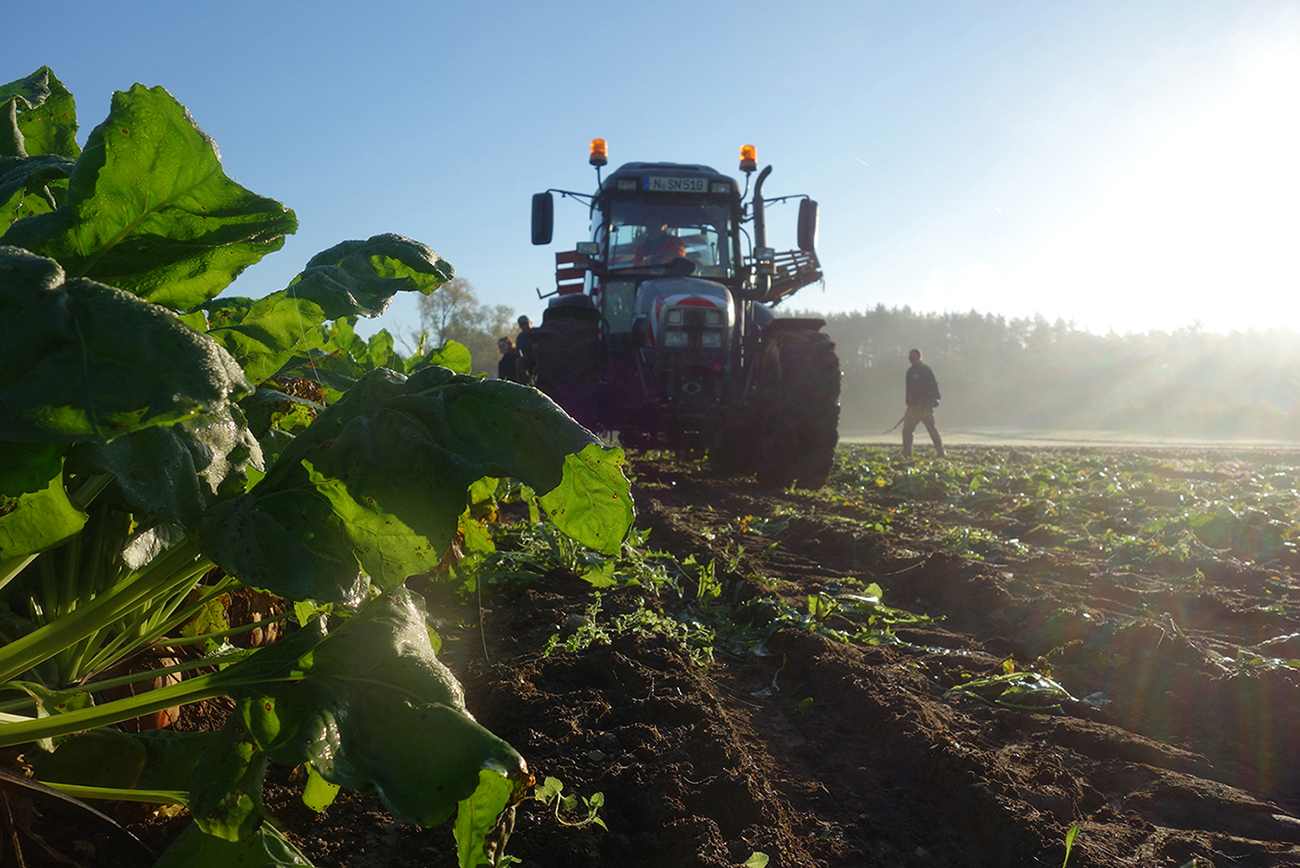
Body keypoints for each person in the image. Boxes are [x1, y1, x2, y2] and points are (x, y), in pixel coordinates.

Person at [903, 348, 945, 459]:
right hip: (913, 407)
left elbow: (933, 385)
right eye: (910, 356)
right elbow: (908, 389)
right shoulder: (910, 371)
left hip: (925, 406)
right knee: (907, 430)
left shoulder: (926, 369)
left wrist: (936, 398)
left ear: (919, 357)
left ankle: (941, 452)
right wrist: (908, 404)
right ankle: (907, 453)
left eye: (913, 356)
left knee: (932, 429)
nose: (910, 358)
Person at [514, 315, 538, 384]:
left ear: (530, 323)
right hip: (529, 360)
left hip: (543, 357)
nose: (525, 327)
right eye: (522, 325)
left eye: (526, 324)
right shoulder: (521, 338)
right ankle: (525, 384)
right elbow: (519, 352)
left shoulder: (539, 332)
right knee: (519, 361)